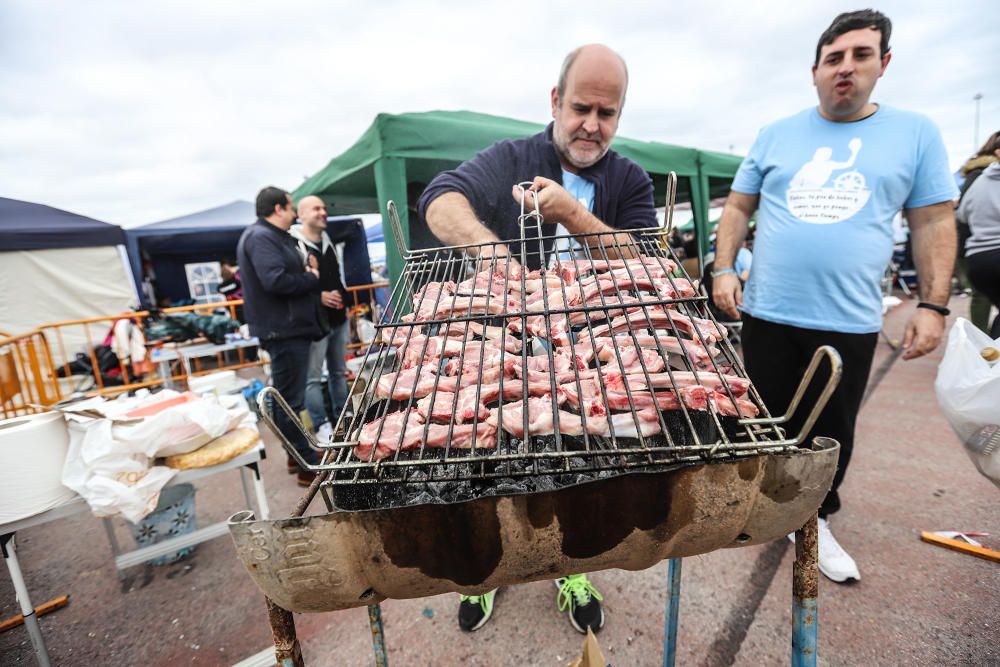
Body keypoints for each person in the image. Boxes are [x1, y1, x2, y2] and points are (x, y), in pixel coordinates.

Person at [712, 10, 957, 583]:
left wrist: (934, 304)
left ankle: (816, 518)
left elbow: (932, 222)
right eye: (834, 58)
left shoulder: (914, 132)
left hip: (847, 318)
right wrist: (724, 268)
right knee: (768, 420)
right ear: (815, 70)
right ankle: (766, 508)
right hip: (767, 310)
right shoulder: (777, 133)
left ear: (883, 63)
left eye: (860, 55)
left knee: (831, 432)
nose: (846, 68)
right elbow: (740, 206)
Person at [419, 43, 656, 635]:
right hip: (508, 353)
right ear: (555, 100)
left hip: (597, 355)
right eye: (581, 108)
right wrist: (493, 258)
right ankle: (490, 568)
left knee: (579, 471)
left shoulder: (628, 179)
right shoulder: (511, 158)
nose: (591, 125)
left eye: (607, 113)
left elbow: (649, 260)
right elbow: (439, 200)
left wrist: (575, 215)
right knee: (493, 467)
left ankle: (573, 565)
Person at [237, 186, 324, 486]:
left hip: (289, 327)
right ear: (278, 209)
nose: (293, 212)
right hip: (283, 329)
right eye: (291, 207)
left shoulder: (272, 237)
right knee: (289, 399)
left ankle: (296, 454)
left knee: (288, 396)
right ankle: (305, 463)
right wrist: (311, 278)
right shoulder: (261, 237)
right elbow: (274, 280)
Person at [290, 195, 350, 439]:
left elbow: (338, 279)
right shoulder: (294, 247)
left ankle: (344, 419)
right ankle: (323, 426)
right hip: (314, 324)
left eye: (324, 208)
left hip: (338, 319)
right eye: (317, 208)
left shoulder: (328, 241)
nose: (323, 212)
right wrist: (319, 298)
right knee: (312, 379)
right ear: (302, 215)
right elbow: (291, 288)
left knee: (338, 373)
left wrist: (342, 301)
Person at [955, 130, 1000, 333]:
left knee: (981, 297)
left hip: (975, 253)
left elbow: (962, 213)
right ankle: (984, 349)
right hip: (989, 249)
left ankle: (985, 350)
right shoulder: (981, 175)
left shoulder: (977, 176)